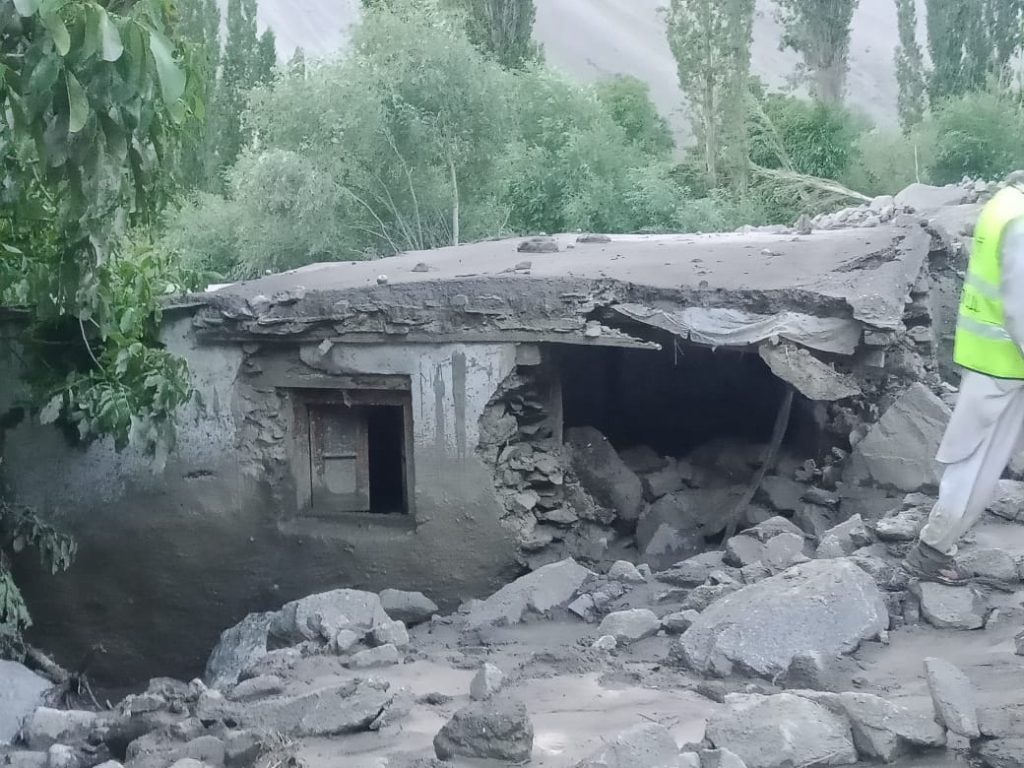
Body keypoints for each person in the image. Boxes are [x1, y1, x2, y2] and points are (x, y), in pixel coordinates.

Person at [903, 184, 1024, 585]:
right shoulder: (1020, 221)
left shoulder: (1003, 204)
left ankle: (935, 548)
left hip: (988, 356)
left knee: (969, 456)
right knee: (978, 465)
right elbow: (1018, 306)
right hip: (1005, 361)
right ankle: (932, 550)